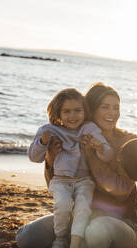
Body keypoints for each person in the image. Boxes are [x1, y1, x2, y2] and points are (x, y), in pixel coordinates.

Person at [17, 83, 137, 248]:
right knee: (28, 237)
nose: (112, 113)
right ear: (91, 110)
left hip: (119, 223)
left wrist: (92, 155)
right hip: (80, 219)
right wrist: (51, 160)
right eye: (105, 107)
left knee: (95, 232)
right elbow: (57, 185)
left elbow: (122, 191)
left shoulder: (127, 141)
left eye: (116, 108)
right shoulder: (75, 137)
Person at [28, 88, 114, 248]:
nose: (73, 116)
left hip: (84, 180)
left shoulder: (89, 128)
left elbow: (109, 154)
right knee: (62, 204)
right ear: (57, 113)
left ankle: (75, 242)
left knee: (82, 207)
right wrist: (42, 143)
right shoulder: (49, 130)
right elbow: (34, 157)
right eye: (66, 111)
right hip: (60, 181)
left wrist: (100, 147)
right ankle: (60, 238)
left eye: (77, 110)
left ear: (85, 111)